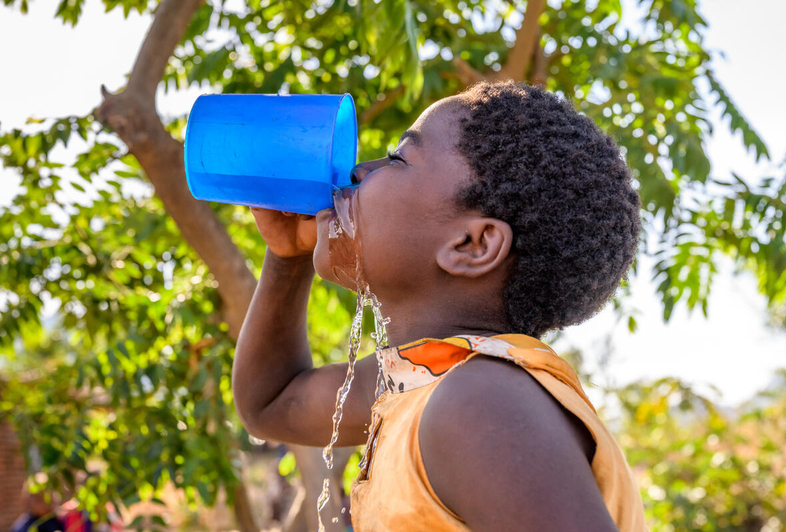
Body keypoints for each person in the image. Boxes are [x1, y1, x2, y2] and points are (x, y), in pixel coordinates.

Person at [233, 80, 647, 531]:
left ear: (472, 245)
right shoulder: (425, 377)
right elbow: (271, 403)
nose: (357, 172)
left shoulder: (481, 402)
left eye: (397, 159)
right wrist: (288, 256)